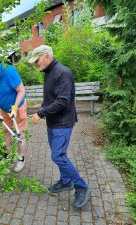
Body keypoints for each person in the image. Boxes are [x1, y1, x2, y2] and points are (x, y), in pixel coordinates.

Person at [28, 45, 91, 208]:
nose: (36, 64)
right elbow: (50, 98)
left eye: (37, 60)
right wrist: (41, 110)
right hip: (53, 122)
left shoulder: (63, 73)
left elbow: (62, 101)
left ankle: (81, 186)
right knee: (58, 154)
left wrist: (41, 114)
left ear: (47, 57)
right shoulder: (48, 73)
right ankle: (65, 181)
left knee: (58, 156)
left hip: (63, 122)